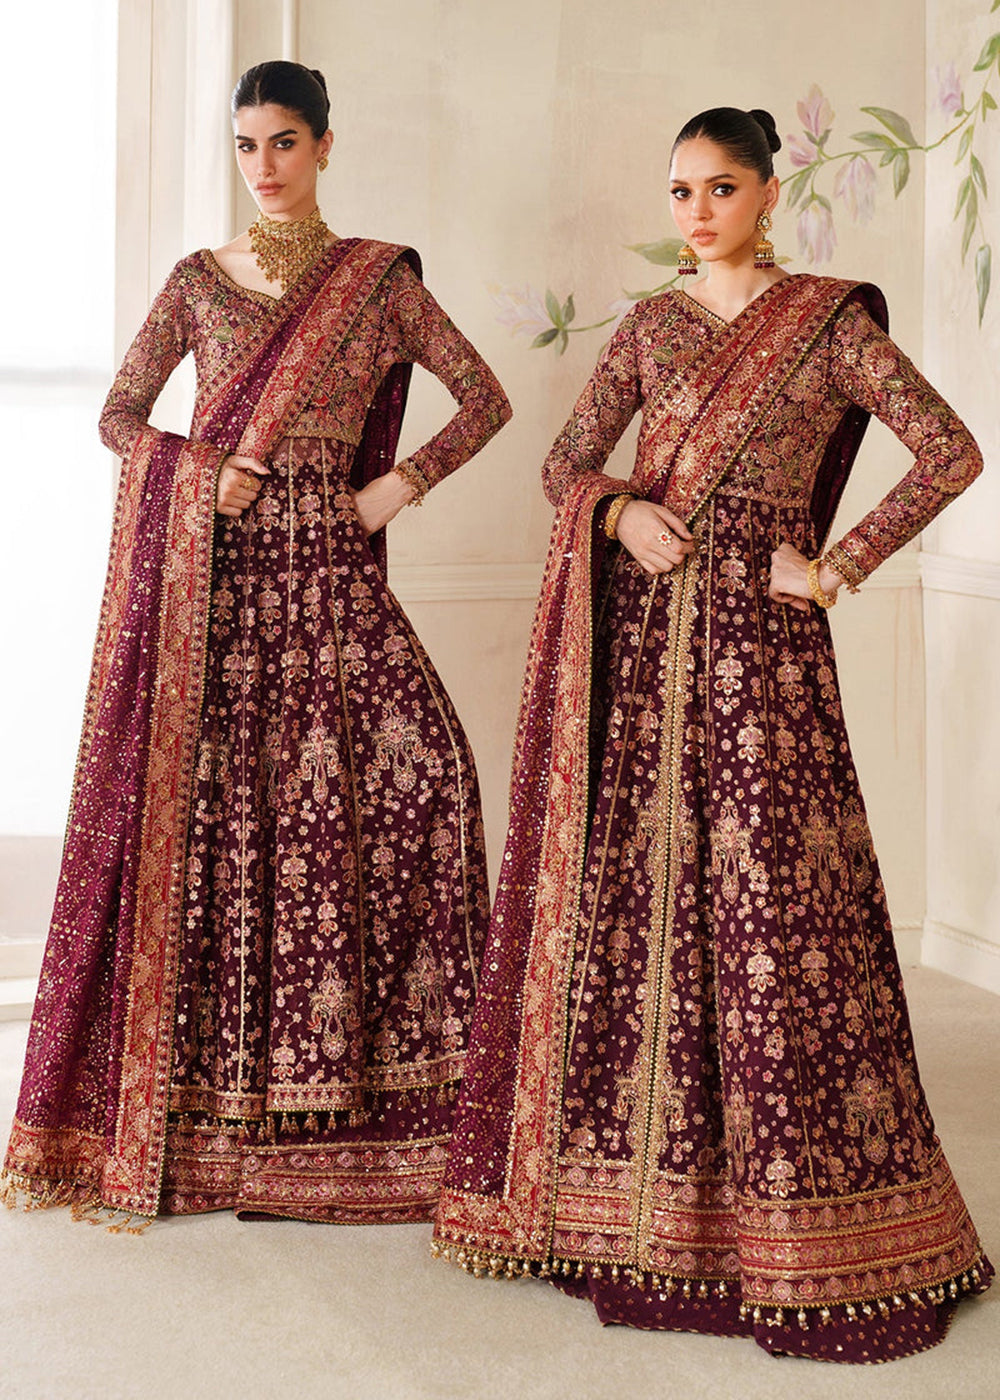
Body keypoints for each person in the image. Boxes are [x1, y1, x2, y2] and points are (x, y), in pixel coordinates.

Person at [432, 106, 991, 1362]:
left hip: (762, 655)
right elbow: (565, 462)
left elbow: (948, 451)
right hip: (640, 647)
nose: (695, 211)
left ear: (768, 192)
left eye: (720, 187)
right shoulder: (650, 326)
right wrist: (618, 514)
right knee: (642, 898)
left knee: (772, 904)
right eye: (680, 189)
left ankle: (790, 1208)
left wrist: (834, 565)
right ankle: (630, 1197)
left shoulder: (829, 325)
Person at [2, 61, 510, 1227]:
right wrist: (199, 470)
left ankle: (385, 1086)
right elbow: (118, 416)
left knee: (427, 774)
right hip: (219, 591)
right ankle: (216, 1107)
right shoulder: (199, 280)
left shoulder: (379, 282)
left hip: (332, 571)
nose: (264, 166)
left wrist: (394, 488)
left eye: (284, 141)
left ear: (325, 145)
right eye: (246, 145)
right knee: (229, 821)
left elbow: (482, 399)